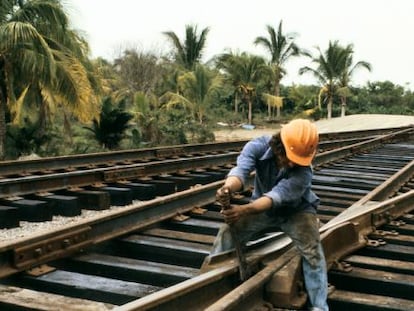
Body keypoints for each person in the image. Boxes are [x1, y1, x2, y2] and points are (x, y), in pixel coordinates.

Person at [210, 118, 329, 311]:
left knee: (313, 253)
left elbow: (276, 196)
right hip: (261, 207)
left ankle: (319, 306)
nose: (291, 164)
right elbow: (240, 172)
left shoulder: (304, 173)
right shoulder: (256, 146)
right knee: (228, 232)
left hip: (296, 212)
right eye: (289, 158)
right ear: (278, 146)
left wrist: (243, 210)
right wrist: (227, 188)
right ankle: (210, 280)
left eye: (296, 161)